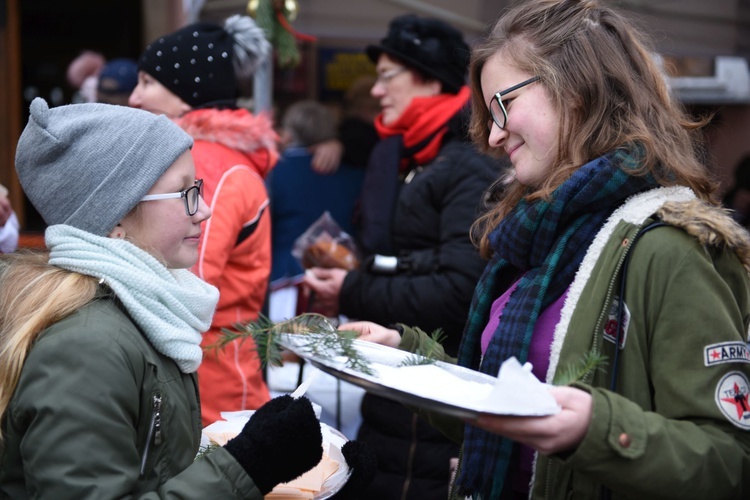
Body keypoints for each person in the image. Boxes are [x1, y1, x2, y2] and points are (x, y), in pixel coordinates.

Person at [342, 0, 750, 499]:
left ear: (574, 88)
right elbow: (495, 408)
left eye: (503, 106)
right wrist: (402, 355)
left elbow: (730, 460)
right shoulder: (534, 234)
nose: (492, 135)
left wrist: (595, 430)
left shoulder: (670, 247)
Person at [0, 97, 324, 498]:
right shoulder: (86, 347)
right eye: (184, 192)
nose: (204, 210)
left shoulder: (147, 311)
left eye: (199, 188)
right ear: (114, 216)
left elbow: (154, 470)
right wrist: (248, 467)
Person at [304, 14, 500, 500]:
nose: (375, 90)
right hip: (396, 394)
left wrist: (351, 288)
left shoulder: (468, 162)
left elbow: (460, 289)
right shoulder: (408, 154)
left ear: (431, 80)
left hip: (436, 404)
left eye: (389, 76)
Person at [129, 15, 279, 426]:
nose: (133, 98)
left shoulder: (205, 164)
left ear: (187, 93)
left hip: (210, 399)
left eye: (147, 82)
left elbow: (184, 287)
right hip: (204, 385)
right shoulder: (202, 160)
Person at [269, 99, 364, 281]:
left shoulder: (272, 173)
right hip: (341, 276)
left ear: (288, 132)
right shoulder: (355, 176)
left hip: (284, 279)